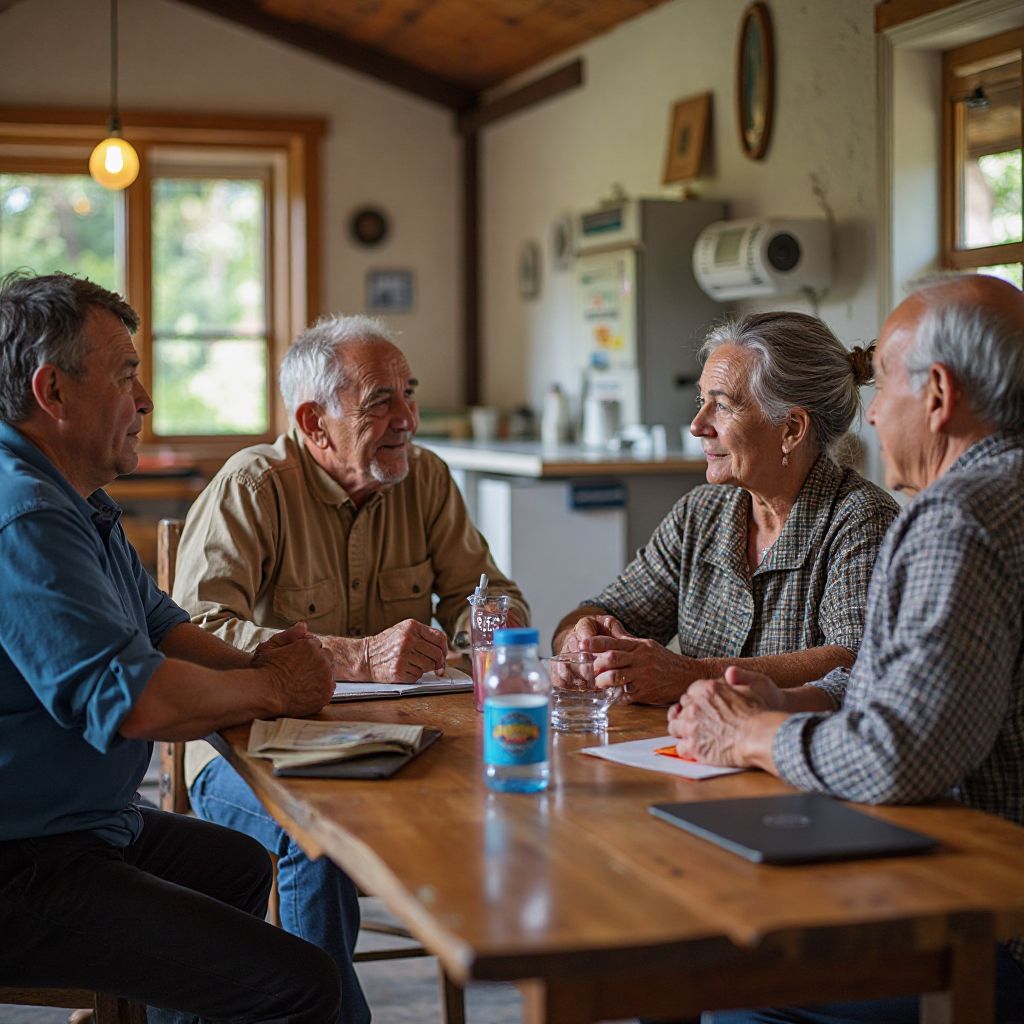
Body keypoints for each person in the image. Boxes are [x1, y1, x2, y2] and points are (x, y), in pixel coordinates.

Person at [670, 276, 1024, 1024]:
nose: (870, 410)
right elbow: (907, 680)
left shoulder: (957, 521)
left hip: (989, 925)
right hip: (975, 891)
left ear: (938, 396)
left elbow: (898, 756)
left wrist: (750, 734)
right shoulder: (996, 497)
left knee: (709, 962)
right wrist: (792, 698)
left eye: (886, 383)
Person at [0, 271, 342, 1023]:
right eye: (126, 376)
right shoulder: (23, 513)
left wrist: (262, 664)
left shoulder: (73, 496)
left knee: (235, 866)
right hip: (21, 866)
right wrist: (276, 689)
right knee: (302, 986)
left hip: (79, 828)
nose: (146, 399)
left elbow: (163, 628)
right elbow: (137, 701)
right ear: (53, 391)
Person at [173, 313, 528, 1023]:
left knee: (519, 788)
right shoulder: (255, 485)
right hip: (245, 751)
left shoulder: (427, 478)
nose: (408, 419)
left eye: (409, 394)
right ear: (315, 422)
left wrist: (485, 633)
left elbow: (491, 595)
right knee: (320, 844)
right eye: (380, 402)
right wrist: (355, 655)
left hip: (401, 740)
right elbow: (194, 631)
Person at [553, 312, 899, 705]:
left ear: (791, 429)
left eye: (721, 406)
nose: (697, 425)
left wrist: (689, 675)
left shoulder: (861, 520)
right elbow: (606, 611)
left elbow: (856, 662)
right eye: (702, 401)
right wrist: (579, 642)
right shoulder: (700, 514)